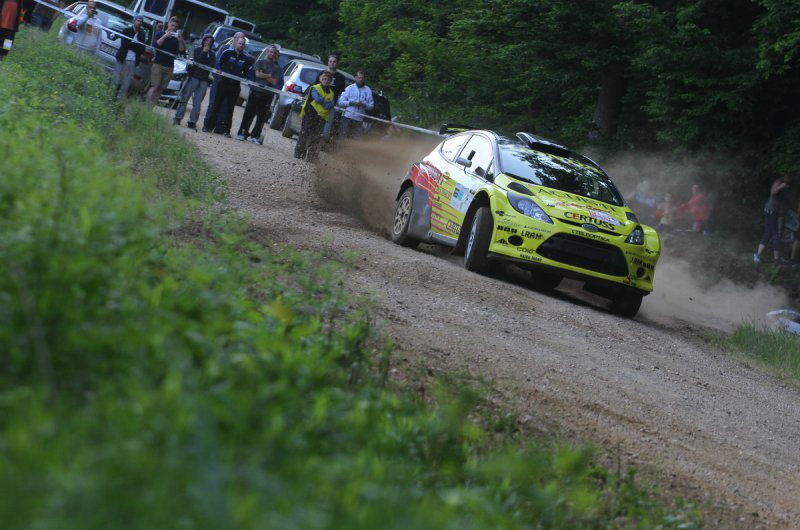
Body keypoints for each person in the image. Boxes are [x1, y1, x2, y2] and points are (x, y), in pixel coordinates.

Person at [236, 44, 283, 144]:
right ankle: (242, 133)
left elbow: (275, 81)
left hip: (267, 95)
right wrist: (269, 75)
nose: (272, 54)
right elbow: (257, 74)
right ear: (267, 52)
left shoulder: (278, 68)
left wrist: (263, 74)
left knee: (261, 119)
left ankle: (255, 136)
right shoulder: (260, 62)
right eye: (271, 52)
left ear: (277, 55)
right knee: (248, 115)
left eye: (274, 53)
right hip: (255, 92)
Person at [211, 33, 253, 136]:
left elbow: (246, 72)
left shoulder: (246, 58)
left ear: (244, 46)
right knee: (216, 105)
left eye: (243, 44)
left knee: (230, 109)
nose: (241, 45)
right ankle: (208, 126)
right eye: (240, 43)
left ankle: (226, 130)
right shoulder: (227, 52)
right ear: (236, 43)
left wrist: (242, 77)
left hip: (235, 85)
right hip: (223, 83)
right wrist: (221, 74)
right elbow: (218, 64)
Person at [202, 31, 244, 133]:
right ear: (234, 39)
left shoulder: (243, 54)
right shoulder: (224, 49)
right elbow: (216, 63)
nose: (240, 42)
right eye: (239, 39)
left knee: (225, 106)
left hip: (231, 84)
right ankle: (207, 124)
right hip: (219, 81)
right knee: (213, 104)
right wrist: (218, 76)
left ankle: (219, 126)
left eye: (243, 40)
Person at [173, 34, 215, 129]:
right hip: (193, 77)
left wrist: (207, 54)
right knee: (185, 98)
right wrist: (204, 52)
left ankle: (192, 121)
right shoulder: (197, 50)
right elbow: (196, 62)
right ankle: (178, 117)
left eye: (210, 41)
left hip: (204, 80)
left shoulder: (212, 54)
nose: (208, 43)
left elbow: (211, 66)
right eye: (207, 40)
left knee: (197, 102)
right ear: (203, 41)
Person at [294, 71, 334, 162]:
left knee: (316, 137)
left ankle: (311, 156)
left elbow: (331, 104)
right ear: (320, 79)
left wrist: (324, 102)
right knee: (304, 134)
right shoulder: (315, 88)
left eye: (328, 80)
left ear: (330, 81)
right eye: (324, 79)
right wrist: (326, 101)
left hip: (321, 117)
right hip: (309, 114)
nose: (326, 81)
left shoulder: (331, 93)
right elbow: (317, 99)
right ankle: (298, 152)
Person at [755, 174, 795, 264]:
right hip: (770, 210)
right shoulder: (778, 182)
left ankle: (758, 255)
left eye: (791, 176)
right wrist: (780, 187)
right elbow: (773, 193)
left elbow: (789, 200)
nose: (790, 178)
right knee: (774, 234)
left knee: (770, 233)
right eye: (788, 176)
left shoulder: (790, 185)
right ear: (785, 175)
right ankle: (776, 258)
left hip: (778, 212)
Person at [146, 16, 185, 106]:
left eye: (175, 26)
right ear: (168, 24)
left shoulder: (177, 38)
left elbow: (182, 51)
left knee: (161, 88)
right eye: (172, 25)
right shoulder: (160, 34)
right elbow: (155, 45)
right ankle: (147, 106)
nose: (173, 28)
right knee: (154, 86)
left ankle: (151, 107)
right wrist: (165, 36)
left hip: (169, 66)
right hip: (158, 64)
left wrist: (180, 40)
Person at [110, 14, 147, 99]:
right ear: (134, 21)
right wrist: (136, 46)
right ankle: (111, 95)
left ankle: (120, 99)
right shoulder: (127, 30)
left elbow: (142, 49)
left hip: (133, 61)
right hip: (122, 58)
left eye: (141, 21)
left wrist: (132, 45)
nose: (139, 23)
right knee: (116, 77)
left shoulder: (142, 34)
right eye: (138, 20)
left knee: (126, 81)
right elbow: (124, 44)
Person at [337, 70, 374, 138]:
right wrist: (351, 103)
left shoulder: (368, 90)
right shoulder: (349, 88)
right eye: (359, 77)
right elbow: (340, 102)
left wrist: (364, 105)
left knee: (356, 139)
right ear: (355, 78)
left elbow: (371, 106)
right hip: (347, 116)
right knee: (343, 137)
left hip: (359, 118)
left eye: (362, 78)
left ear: (364, 79)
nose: (361, 79)